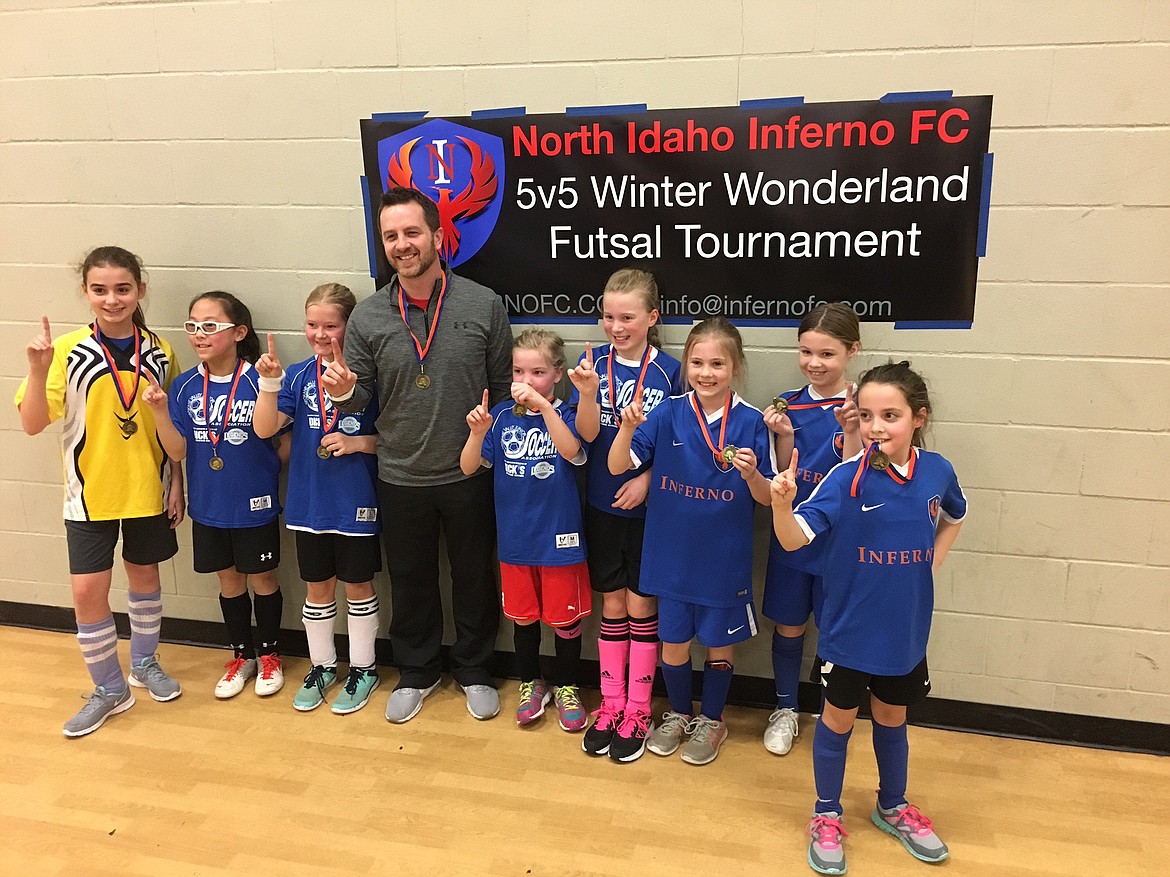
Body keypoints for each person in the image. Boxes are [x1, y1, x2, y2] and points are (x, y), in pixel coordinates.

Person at [322, 186, 512, 723]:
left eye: (411, 232)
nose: (402, 244)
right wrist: (340, 392)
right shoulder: (368, 317)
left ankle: (475, 669)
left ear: (435, 235)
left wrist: (488, 450)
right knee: (409, 580)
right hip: (400, 472)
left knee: (474, 577)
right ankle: (418, 671)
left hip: (468, 471)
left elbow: (502, 389)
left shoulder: (483, 303)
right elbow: (358, 395)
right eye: (391, 236)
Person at [770, 361, 966, 875]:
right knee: (836, 722)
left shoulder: (938, 471)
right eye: (868, 415)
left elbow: (955, 516)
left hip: (905, 632)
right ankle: (827, 813)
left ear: (918, 418)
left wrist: (931, 562)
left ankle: (892, 804)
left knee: (893, 719)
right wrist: (780, 505)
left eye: (891, 415)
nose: (877, 427)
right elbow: (792, 540)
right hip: (848, 633)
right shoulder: (842, 478)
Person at [16, 246, 184, 737]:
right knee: (88, 592)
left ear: (140, 291)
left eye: (123, 288)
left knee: (146, 578)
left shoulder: (161, 349)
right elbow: (30, 425)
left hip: (149, 492)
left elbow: (169, 429)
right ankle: (111, 689)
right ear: (86, 293)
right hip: (87, 497)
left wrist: (178, 487)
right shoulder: (64, 351)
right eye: (100, 289)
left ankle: (145, 664)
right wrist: (36, 367)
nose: (112, 299)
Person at [608, 317, 776, 765]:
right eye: (697, 362)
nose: (706, 372)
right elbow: (615, 466)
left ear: (735, 367)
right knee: (674, 642)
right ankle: (681, 713)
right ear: (686, 365)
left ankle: (713, 721)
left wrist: (754, 474)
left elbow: (767, 497)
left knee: (719, 645)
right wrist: (625, 428)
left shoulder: (754, 422)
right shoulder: (666, 413)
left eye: (717, 363)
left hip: (723, 560)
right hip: (670, 555)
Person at [146, 292, 286, 699]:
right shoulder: (186, 385)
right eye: (192, 326)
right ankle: (242, 656)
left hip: (254, 504)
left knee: (262, 578)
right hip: (209, 505)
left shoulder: (260, 379)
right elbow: (177, 450)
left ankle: (270, 655)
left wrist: (269, 468)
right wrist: (157, 410)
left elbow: (275, 436)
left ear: (239, 332)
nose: (199, 334)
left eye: (210, 325)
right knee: (228, 580)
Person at [566, 268, 681, 762]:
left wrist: (648, 479)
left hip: (650, 509)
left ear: (652, 318)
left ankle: (640, 707)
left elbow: (684, 441)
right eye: (609, 316)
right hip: (600, 503)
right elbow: (587, 436)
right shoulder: (590, 363)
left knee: (641, 606)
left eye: (628, 317)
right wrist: (589, 395)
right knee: (612, 605)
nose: (616, 326)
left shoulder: (672, 370)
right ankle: (612, 703)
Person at [252, 283, 383, 714]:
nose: (320, 334)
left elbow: (395, 438)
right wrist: (269, 385)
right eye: (312, 324)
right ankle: (323, 665)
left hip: (357, 497)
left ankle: (364, 668)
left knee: (358, 585)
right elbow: (265, 430)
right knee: (317, 586)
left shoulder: (372, 372)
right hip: (309, 501)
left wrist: (360, 443)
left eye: (331, 325)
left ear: (350, 325)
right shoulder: (297, 375)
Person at [461, 328, 591, 732]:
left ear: (557, 374)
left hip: (560, 541)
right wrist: (477, 433)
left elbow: (573, 451)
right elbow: (467, 467)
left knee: (565, 622)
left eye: (537, 372)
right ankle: (531, 684)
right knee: (523, 620)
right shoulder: (499, 417)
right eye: (518, 371)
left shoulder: (568, 413)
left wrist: (543, 407)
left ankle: (568, 686)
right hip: (515, 543)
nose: (526, 381)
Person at [761, 302, 862, 756]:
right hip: (792, 535)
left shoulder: (864, 405)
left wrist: (854, 429)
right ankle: (785, 709)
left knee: (834, 632)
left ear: (852, 352)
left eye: (827, 354)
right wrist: (782, 436)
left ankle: (830, 715)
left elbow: (857, 477)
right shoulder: (788, 404)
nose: (815, 363)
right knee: (788, 625)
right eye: (806, 352)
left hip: (839, 542)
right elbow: (780, 475)